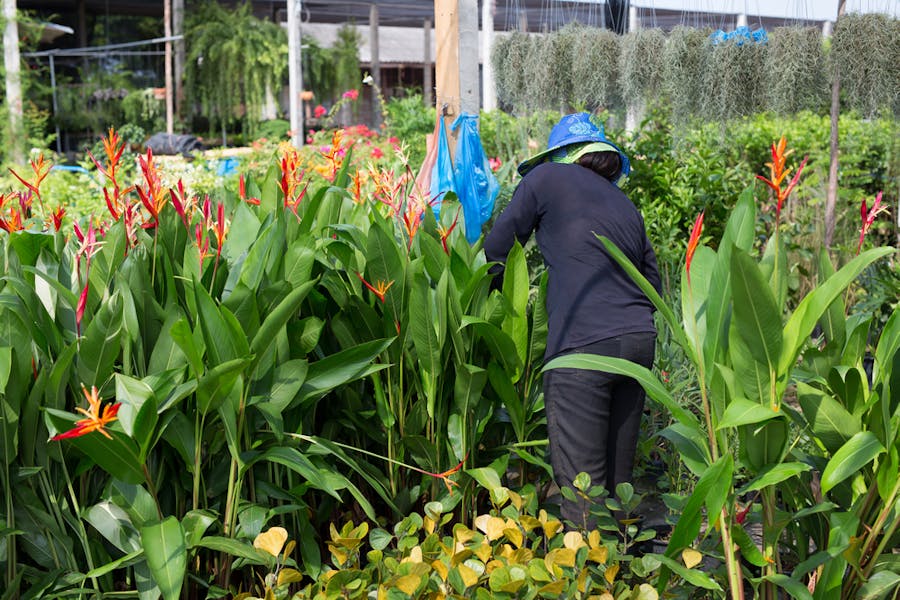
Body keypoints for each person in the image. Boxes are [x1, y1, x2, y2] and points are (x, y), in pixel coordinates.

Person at [483, 112, 661, 528]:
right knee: (619, 483)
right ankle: (629, 582)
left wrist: (490, 307)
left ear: (559, 155)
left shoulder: (545, 180)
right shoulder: (625, 204)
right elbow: (651, 283)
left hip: (582, 348)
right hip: (637, 344)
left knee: (584, 488)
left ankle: (589, 582)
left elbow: (498, 249)